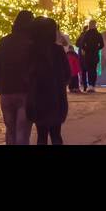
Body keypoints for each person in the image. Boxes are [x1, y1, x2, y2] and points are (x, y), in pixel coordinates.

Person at [0, 10, 35, 144]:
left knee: (10, 131)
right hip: (25, 92)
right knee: (22, 132)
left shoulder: (3, 42)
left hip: (6, 91)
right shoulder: (31, 44)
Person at [27, 16, 71, 144]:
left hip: (38, 99)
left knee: (41, 136)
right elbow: (67, 74)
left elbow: (27, 73)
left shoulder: (31, 50)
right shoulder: (57, 50)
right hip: (56, 99)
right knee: (56, 135)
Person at [77, 20, 102, 92]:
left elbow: (81, 44)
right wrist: (96, 48)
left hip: (89, 55)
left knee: (91, 70)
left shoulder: (88, 34)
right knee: (92, 70)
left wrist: (86, 49)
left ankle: (91, 85)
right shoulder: (96, 34)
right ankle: (91, 85)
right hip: (91, 55)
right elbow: (101, 45)